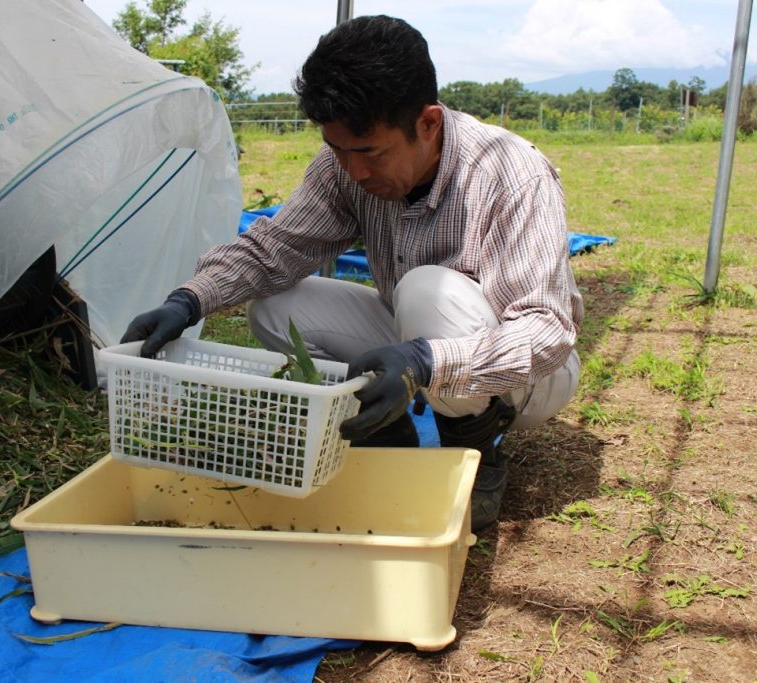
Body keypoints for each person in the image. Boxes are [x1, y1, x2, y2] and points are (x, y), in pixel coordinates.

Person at [121, 15, 583, 532]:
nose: (355, 172)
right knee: (279, 309)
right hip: (417, 337)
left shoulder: (511, 173)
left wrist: (423, 359)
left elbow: (546, 331)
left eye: (369, 152)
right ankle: (385, 435)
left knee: (427, 291)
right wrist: (189, 300)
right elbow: (277, 246)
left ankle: (476, 442)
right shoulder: (343, 166)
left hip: (526, 375)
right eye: (338, 149)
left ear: (428, 124)